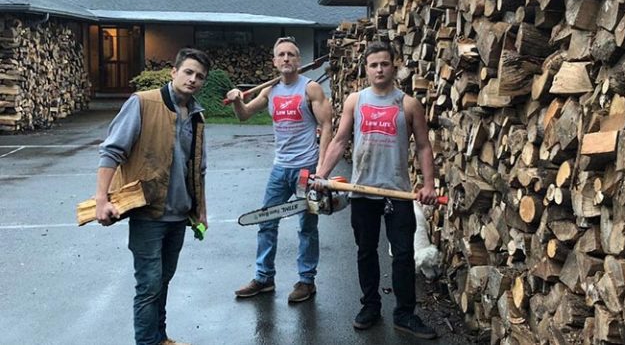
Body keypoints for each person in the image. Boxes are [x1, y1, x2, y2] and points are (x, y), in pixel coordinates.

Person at [315, 41, 438, 339]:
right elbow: (340, 140)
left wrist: (429, 183)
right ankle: (370, 306)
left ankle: (405, 313)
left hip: (398, 192)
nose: (379, 69)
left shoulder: (408, 104)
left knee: (404, 254)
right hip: (362, 192)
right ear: (366, 68)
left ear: (394, 65)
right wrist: (321, 174)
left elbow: (423, 146)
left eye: (384, 63)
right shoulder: (356, 101)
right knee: (366, 251)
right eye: (374, 64)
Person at [95, 47, 211, 345]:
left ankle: (159, 339)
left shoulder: (196, 114)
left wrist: (201, 211)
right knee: (148, 285)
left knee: (163, 281)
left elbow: (198, 168)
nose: (193, 79)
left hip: (178, 214)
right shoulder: (143, 103)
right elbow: (111, 151)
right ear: (173, 72)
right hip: (148, 212)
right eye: (188, 72)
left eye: (199, 76)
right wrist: (101, 199)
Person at [227, 36, 332, 303]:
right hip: (279, 168)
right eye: (281, 55)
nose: (286, 58)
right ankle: (264, 278)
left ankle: (306, 281)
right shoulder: (270, 91)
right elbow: (244, 114)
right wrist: (238, 99)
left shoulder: (310, 90)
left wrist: (321, 169)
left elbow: (328, 126)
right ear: (274, 62)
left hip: (306, 169)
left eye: (291, 54)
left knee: (307, 225)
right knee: (266, 222)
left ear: (298, 60)